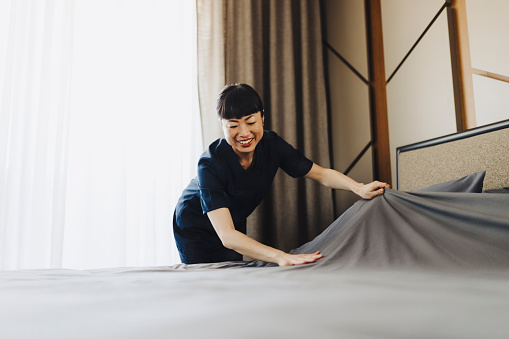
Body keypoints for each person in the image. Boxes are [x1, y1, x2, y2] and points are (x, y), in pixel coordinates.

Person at [173, 83, 389, 266]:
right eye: (233, 126)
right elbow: (227, 235)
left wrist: (359, 188)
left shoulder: (271, 145)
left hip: (231, 221)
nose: (244, 133)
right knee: (207, 279)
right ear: (222, 126)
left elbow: (321, 174)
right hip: (195, 224)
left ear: (262, 118)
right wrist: (280, 257)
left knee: (230, 273)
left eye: (250, 122)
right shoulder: (210, 163)